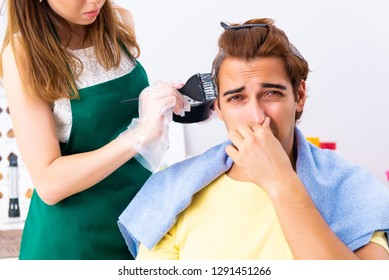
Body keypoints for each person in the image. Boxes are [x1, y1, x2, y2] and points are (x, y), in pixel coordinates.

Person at [118, 18, 389, 260]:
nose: (257, 116)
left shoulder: (351, 188)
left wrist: (280, 180)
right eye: (236, 98)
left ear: (300, 96)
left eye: (271, 93)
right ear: (219, 109)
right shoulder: (171, 196)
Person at [0, 0, 188, 260]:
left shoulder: (120, 22)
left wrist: (160, 105)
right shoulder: (23, 53)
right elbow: (49, 183)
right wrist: (137, 136)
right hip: (72, 243)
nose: (96, 2)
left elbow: (123, 118)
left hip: (139, 225)